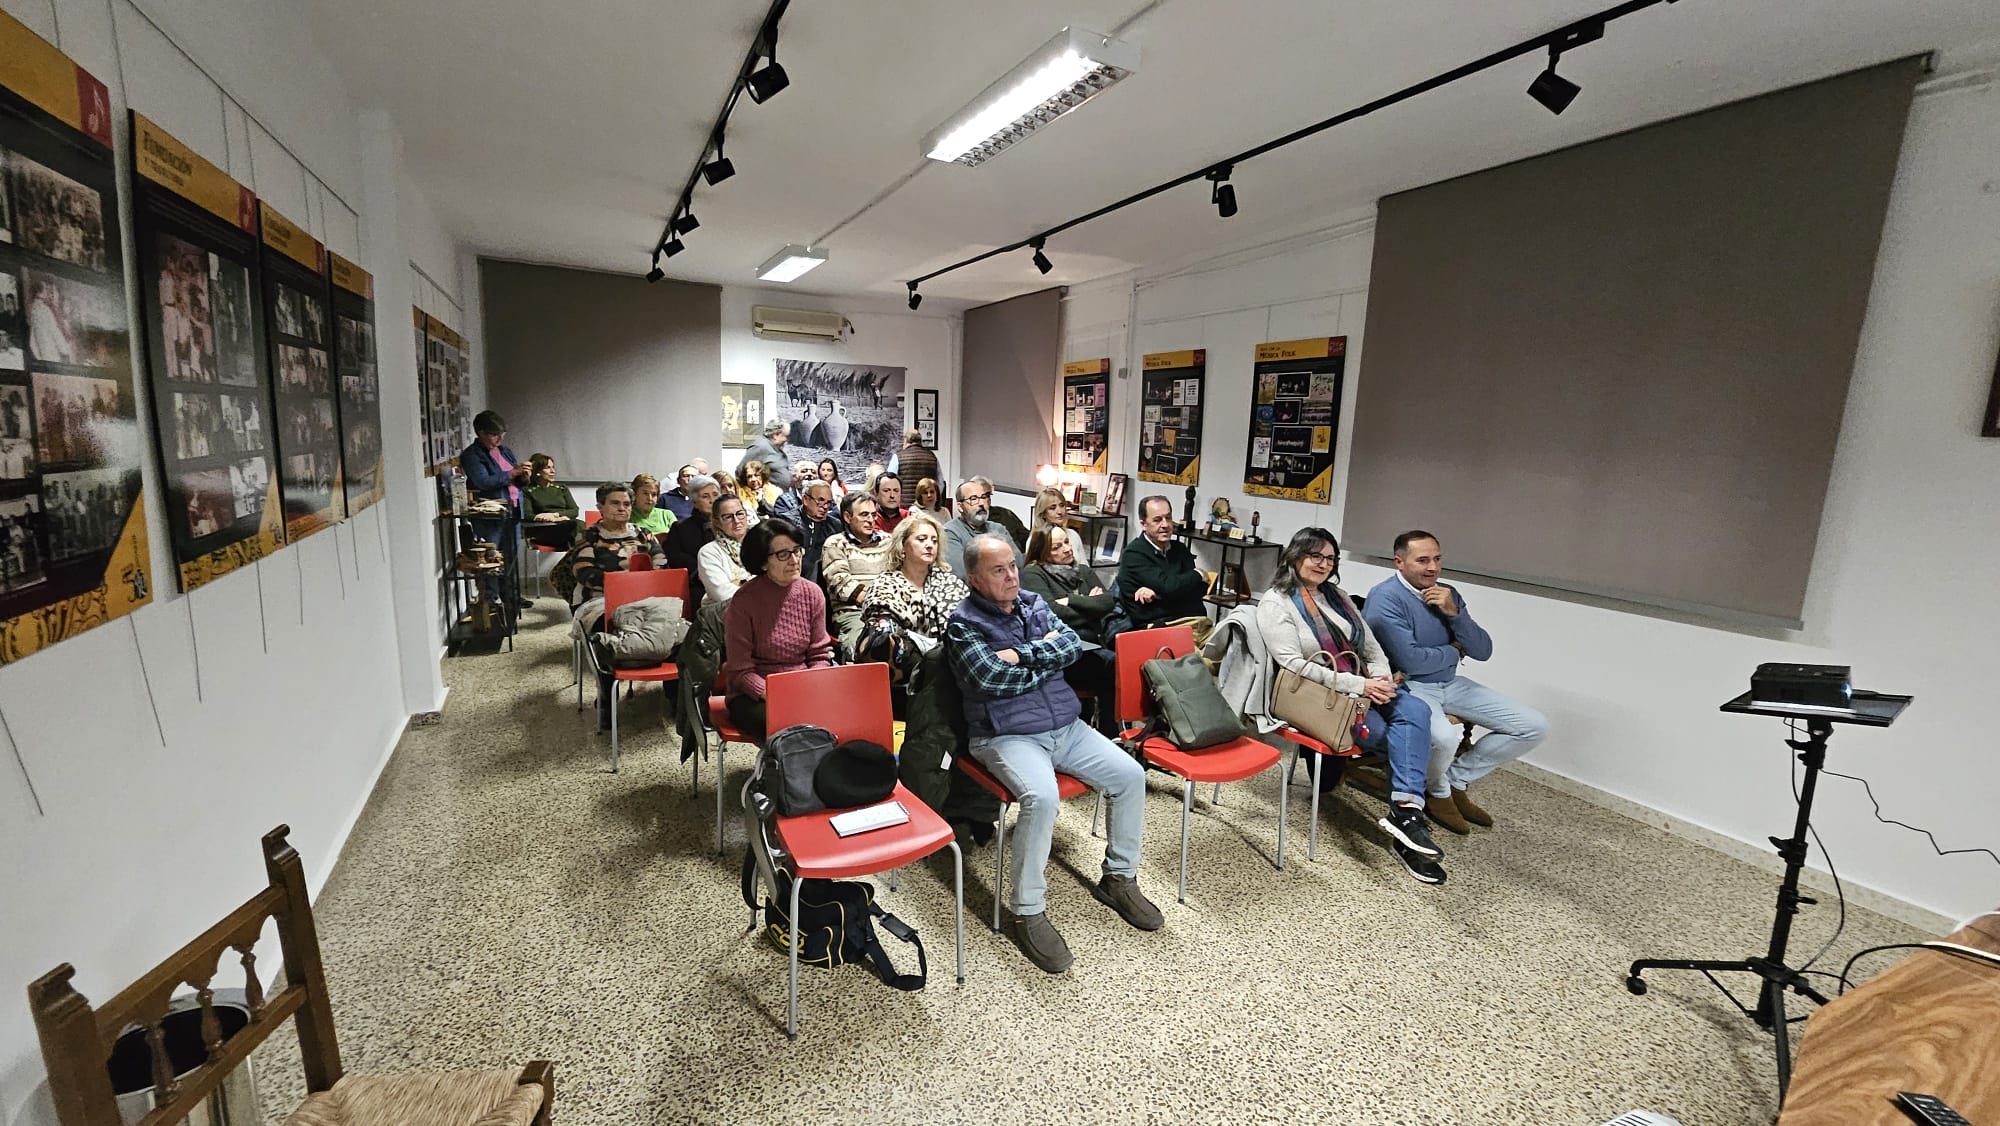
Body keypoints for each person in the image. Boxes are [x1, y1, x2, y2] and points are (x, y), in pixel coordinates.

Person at [946, 534, 1163, 973]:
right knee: (1042, 798)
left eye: (1012, 566)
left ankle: (1119, 879)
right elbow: (989, 680)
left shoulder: (1032, 603)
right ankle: (1027, 910)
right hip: (1006, 735)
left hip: (1065, 726)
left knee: (1130, 775)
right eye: (998, 570)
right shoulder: (963, 624)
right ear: (973, 578)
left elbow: (1069, 649)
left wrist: (1023, 656)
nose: (1011, 576)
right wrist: (1042, 667)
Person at [1258, 528, 1444, 884]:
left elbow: (1370, 646)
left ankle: (1406, 817)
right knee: (1387, 735)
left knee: (1416, 711)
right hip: (1319, 696)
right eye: (1315, 556)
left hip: (1365, 686)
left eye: (1330, 558)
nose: (1323, 564)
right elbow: (1294, 665)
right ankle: (1408, 821)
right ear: (1295, 556)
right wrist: (1360, 685)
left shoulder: (1338, 596)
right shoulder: (1275, 603)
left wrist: (1382, 679)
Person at [1363, 530, 1550, 835]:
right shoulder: (1385, 598)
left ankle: (1455, 779)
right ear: (1399, 562)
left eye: (1437, 559)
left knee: (1534, 725)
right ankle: (1437, 793)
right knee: (1446, 738)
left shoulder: (1446, 594)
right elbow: (1411, 662)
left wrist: (1455, 615)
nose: (1433, 567)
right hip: (1409, 686)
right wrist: (1454, 650)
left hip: (1450, 683)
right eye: (1422, 560)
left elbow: (1483, 650)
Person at [722, 517, 833, 740]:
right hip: (754, 693)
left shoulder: (812, 593)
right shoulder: (744, 601)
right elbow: (740, 670)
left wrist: (812, 686)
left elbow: (819, 654)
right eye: (783, 555)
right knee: (790, 727)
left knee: (842, 714)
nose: (794, 560)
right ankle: (795, 772)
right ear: (763, 562)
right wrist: (776, 694)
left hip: (803, 686)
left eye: (796, 551)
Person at [571, 482, 669, 732]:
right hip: (600, 598)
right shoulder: (590, 536)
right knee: (606, 629)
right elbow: (584, 572)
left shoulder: (643, 534)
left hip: (643, 598)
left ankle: (675, 696)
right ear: (600, 507)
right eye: (615, 503)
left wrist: (642, 586)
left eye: (626, 504)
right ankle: (606, 694)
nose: (622, 508)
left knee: (676, 626)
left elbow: (661, 564)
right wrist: (622, 584)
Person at [461, 410, 529, 610]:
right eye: (493, 434)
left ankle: (512, 597)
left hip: (513, 509)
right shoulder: (472, 455)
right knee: (491, 558)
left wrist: (523, 477)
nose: (499, 438)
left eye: (501, 434)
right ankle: (490, 600)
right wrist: (512, 473)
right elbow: (483, 481)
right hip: (490, 515)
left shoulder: (505, 450)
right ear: (480, 433)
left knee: (511, 556)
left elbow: (514, 478)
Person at [820, 492, 895, 655]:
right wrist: (877, 601)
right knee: (863, 649)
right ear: (847, 517)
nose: (870, 520)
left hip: (891, 610)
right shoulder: (835, 544)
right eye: (864, 515)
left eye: (873, 515)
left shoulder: (888, 541)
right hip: (854, 613)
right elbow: (840, 582)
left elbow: (897, 576)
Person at [1116, 495, 1206, 629]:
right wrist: (1198, 574)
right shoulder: (1134, 554)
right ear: (1143, 524)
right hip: (1156, 627)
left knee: (1239, 622)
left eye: (1168, 518)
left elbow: (1200, 590)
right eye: (1157, 520)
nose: (1165, 525)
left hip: (1193, 621)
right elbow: (1169, 587)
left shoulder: (1179, 549)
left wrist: (1158, 594)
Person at [1021, 527, 1114, 644]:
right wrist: (1093, 607)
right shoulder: (1033, 573)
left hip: (1096, 640)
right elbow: (1053, 613)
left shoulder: (1083, 570)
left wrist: (1071, 600)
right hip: (1064, 644)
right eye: (1056, 547)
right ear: (1041, 552)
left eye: (1066, 542)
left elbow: (1108, 602)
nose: (1067, 549)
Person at [943, 475, 1020, 577]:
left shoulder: (998, 529)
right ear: (960, 507)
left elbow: (1018, 563)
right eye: (973, 498)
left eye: (984, 497)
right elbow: (963, 573)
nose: (981, 503)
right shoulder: (950, 532)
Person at [662, 473, 720, 606]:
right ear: (695, 502)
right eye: (705, 496)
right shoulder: (680, 529)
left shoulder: (731, 525)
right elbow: (676, 558)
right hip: (699, 585)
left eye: (715, 495)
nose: (712, 500)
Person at [697, 494, 753, 606]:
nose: (736, 521)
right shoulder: (709, 552)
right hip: (723, 613)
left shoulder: (762, 543)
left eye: (740, 514)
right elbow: (721, 593)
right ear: (717, 522)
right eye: (728, 517)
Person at [522, 453, 578, 548]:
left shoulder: (561, 488)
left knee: (580, 526)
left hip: (565, 524)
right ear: (538, 471)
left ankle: (580, 557)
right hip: (543, 528)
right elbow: (527, 515)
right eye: (548, 468)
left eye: (553, 467)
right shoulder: (528, 490)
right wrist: (545, 517)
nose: (553, 471)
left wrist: (555, 515)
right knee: (574, 527)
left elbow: (574, 511)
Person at [795, 480, 841, 584]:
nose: (825, 507)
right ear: (805, 500)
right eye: (820, 500)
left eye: (828, 502)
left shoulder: (836, 526)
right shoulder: (788, 523)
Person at [1032, 488, 1088, 563]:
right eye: (1052, 508)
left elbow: (1085, 566)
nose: (1060, 512)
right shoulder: (1036, 540)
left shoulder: (1073, 535)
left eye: (1062, 505)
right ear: (1043, 514)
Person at [738, 417, 793, 490]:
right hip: (766, 497)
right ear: (775, 435)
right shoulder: (760, 447)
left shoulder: (776, 449)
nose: (787, 440)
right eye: (786, 436)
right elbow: (740, 472)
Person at [887, 426, 939, 498]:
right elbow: (940, 483)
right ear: (920, 442)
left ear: (906, 441)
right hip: (926, 503)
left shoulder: (898, 457)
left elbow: (890, 481)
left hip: (905, 504)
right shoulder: (932, 456)